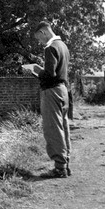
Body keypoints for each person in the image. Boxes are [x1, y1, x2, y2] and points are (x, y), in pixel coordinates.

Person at [33, 21, 71, 178]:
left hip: (52, 91)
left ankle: (59, 168)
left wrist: (37, 71)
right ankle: (65, 164)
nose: (39, 42)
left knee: (52, 128)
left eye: (38, 38)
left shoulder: (50, 48)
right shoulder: (63, 46)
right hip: (63, 90)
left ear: (43, 32)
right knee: (63, 127)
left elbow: (50, 74)